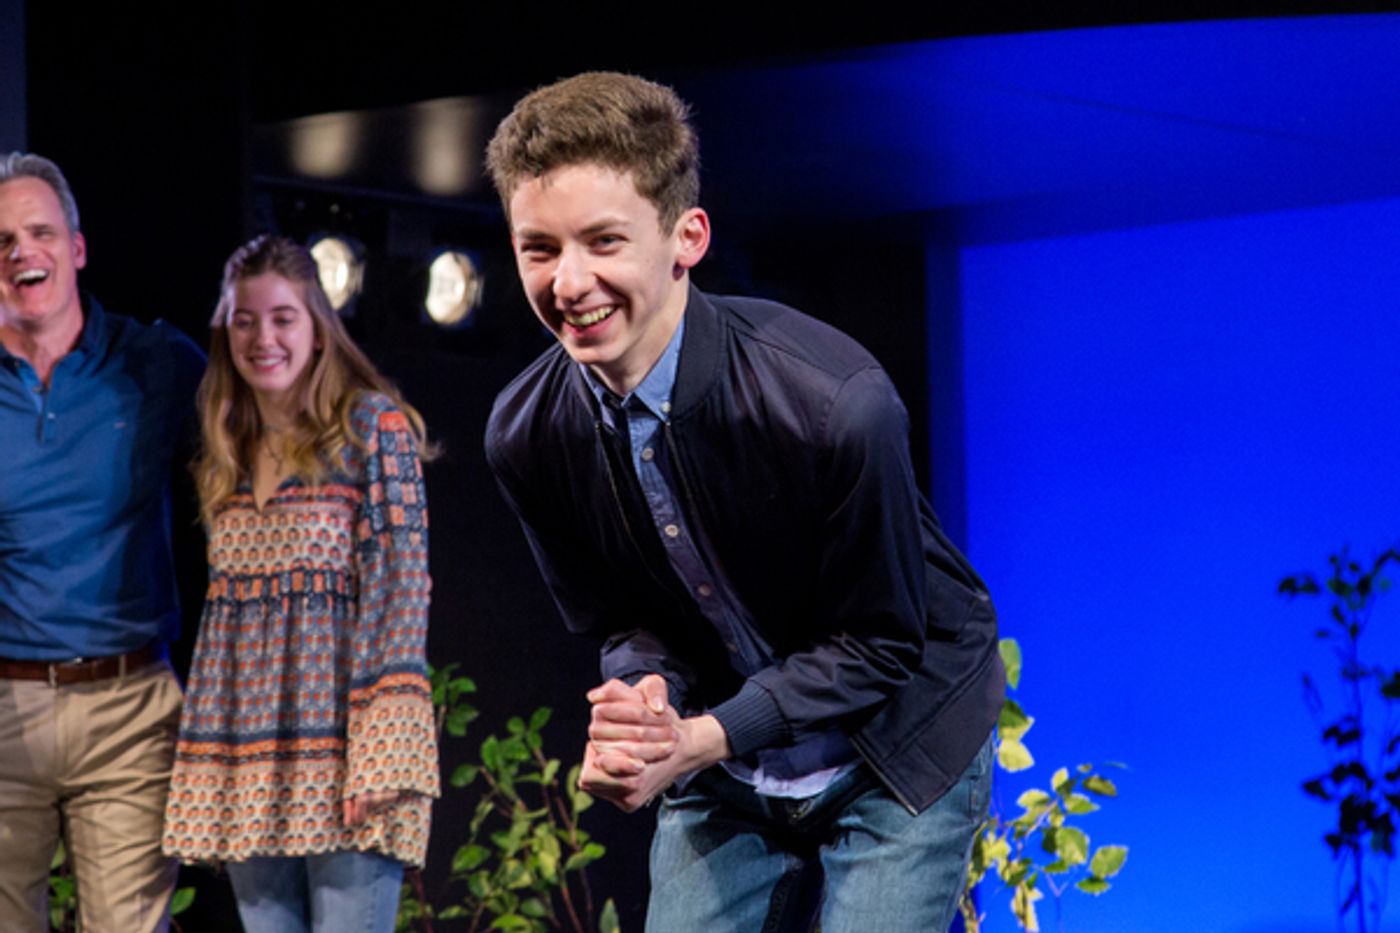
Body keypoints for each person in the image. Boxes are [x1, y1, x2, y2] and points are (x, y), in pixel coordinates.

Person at [483, 72, 1005, 932]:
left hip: (900, 737)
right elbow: (624, 618)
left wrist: (702, 735)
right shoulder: (527, 433)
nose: (569, 283)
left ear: (686, 236)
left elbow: (882, 644)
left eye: (603, 241)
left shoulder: (832, 401)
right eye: (539, 248)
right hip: (726, 757)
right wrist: (643, 697)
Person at [161, 235, 439, 933]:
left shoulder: (373, 428)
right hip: (247, 761)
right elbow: (227, 624)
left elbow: (399, 594)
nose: (263, 337)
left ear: (317, 327)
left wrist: (378, 756)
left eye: (283, 317)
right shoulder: (224, 448)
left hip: (348, 758)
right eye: (245, 319)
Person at [0, 151, 204, 933]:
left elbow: (265, 442)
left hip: (129, 707)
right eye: (4, 239)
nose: (22, 252)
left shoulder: (157, 364)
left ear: (76, 249)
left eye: (40, 231)